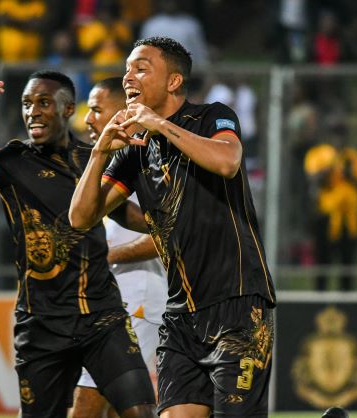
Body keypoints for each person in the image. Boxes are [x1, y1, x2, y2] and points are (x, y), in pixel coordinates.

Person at [0, 61, 156, 418]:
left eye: (43, 103)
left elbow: (123, 214)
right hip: (41, 324)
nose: (32, 112)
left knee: (142, 411)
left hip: (102, 316)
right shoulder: (10, 161)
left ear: (68, 109)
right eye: (26, 104)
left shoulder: (92, 159)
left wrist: (177, 224)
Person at [69, 37, 276, 417]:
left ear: (174, 81)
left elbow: (227, 161)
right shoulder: (134, 149)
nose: (128, 76)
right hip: (180, 314)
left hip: (238, 306)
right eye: (128, 67)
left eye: (141, 68)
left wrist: (160, 125)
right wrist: (100, 150)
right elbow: (81, 217)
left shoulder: (213, 116)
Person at [70, 78, 167, 418]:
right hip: (115, 298)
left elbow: (166, 235)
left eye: (97, 110)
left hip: (137, 296)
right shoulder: (114, 160)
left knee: (87, 404)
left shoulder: (145, 159)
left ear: (122, 110)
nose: (88, 119)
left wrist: (108, 256)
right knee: (122, 409)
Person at [304, 122, 357, 291]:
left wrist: (350, 175)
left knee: (347, 262)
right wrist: (329, 169)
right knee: (323, 260)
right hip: (325, 215)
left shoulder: (354, 157)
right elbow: (312, 180)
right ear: (329, 136)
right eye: (335, 134)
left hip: (350, 217)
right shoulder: (319, 154)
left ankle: (347, 302)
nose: (339, 138)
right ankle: (318, 300)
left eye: (342, 134)